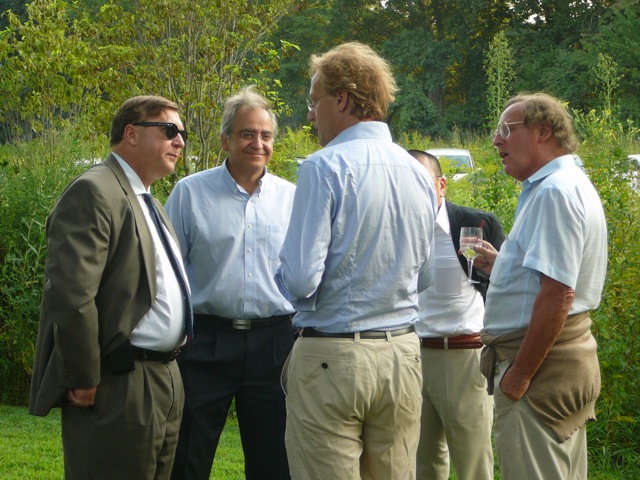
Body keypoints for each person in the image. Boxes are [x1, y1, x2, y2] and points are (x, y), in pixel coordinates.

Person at [275, 41, 437, 480]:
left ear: (342, 99)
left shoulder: (323, 167)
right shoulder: (418, 173)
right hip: (402, 354)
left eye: (315, 102)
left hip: (333, 355)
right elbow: (425, 275)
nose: (311, 115)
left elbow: (301, 279)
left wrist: (279, 272)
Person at [29, 95, 191, 479]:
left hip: (164, 377)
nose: (180, 141)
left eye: (182, 133)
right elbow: (71, 297)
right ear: (131, 134)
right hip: (120, 382)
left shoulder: (146, 198)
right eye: (169, 130)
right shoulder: (95, 190)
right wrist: (84, 377)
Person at [165, 86, 296, 480]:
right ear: (226, 139)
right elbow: (167, 271)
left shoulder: (292, 198)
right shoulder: (190, 193)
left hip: (275, 344)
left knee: (274, 462)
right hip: (206, 341)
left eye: (266, 135)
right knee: (187, 457)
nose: (258, 143)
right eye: (247, 134)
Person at [476, 92, 608, 480]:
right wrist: (504, 267)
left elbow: (559, 293)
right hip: (556, 363)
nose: (496, 140)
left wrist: (518, 376)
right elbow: (551, 279)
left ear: (543, 131)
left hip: (539, 371)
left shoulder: (554, 191)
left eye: (506, 130)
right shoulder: (561, 184)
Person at [407, 150, 504, 480]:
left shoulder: (476, 225)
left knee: (472, 462)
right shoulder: (395, 229)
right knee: (422, 462)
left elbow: (505, 285)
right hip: (411, 357)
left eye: (422, 182)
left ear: (442, 185)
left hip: (463, 356)